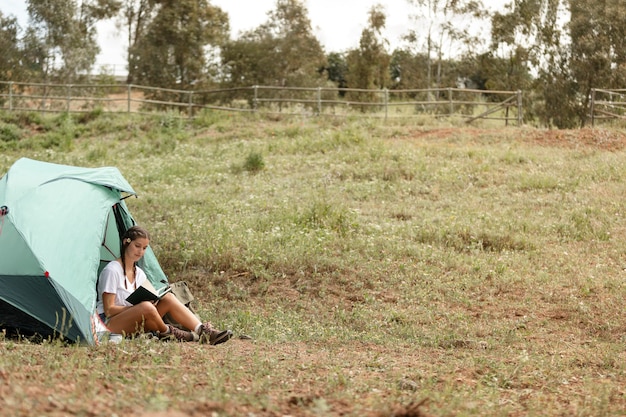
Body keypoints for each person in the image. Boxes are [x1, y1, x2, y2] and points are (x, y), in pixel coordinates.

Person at [96, 225, 232, 344]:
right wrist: (141, 307)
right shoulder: (112, 270)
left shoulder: (139, 273)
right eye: (137, 246)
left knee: (168, 298)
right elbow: (109, 310)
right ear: (126, 242)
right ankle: (168, 332)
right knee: (146, 307)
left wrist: (148, 304)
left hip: (136, 319)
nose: (140, 252)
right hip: (109, 323)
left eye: (144, 248)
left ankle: (203, 331)